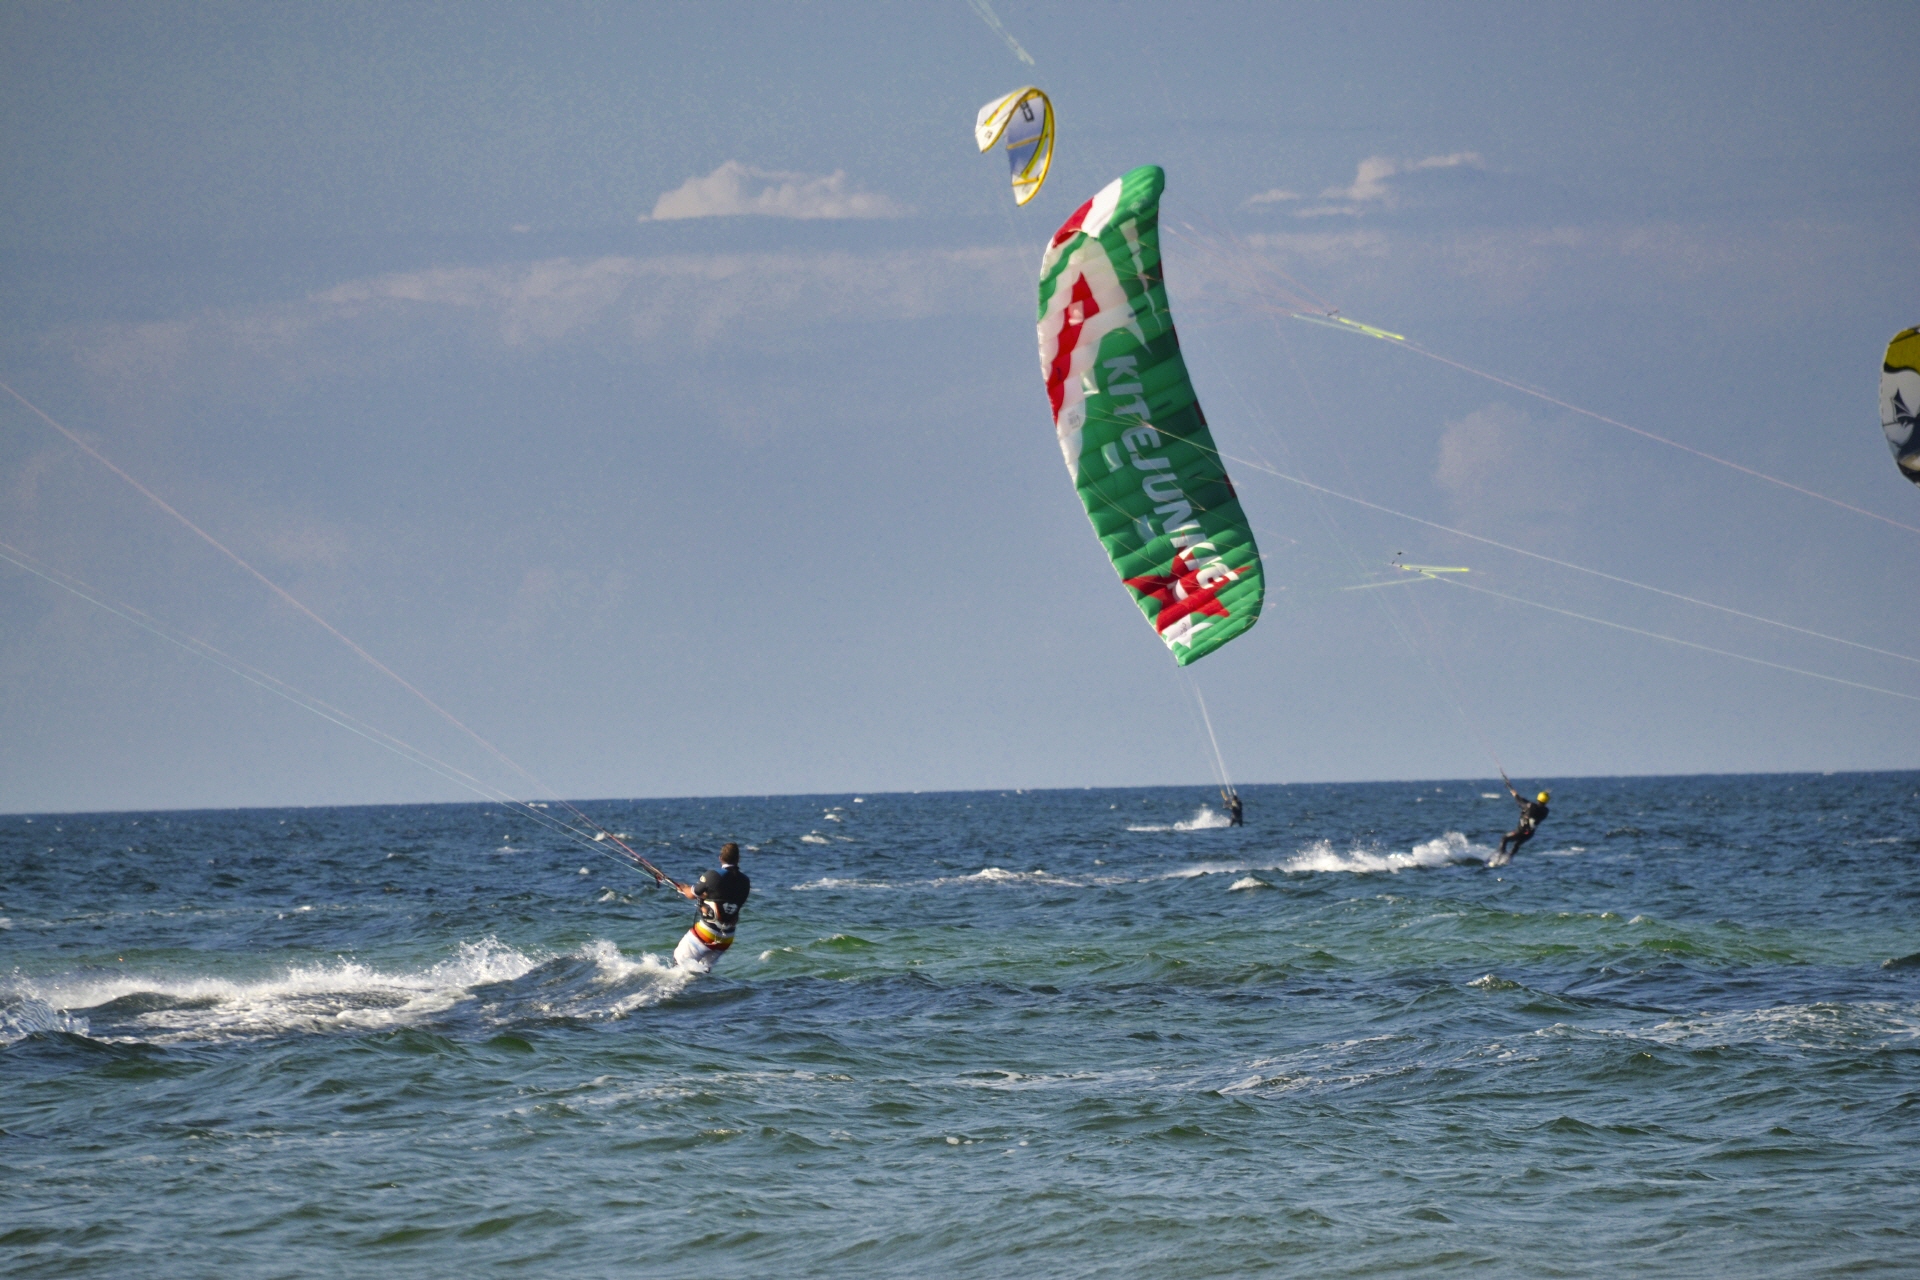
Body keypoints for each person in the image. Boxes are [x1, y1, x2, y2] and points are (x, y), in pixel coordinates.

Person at [672, 842, 751, 972]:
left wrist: (683, 888)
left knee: (679, 964)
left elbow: (692, 894)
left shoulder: (713, 875)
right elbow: (726, 898)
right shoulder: (745, 881)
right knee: (702, 972)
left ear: (720, 858)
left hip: (707, 933)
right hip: (726, 939)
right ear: (738, 859)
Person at [1497, 784, 1550, 862]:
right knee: (1517, 844)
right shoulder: (1545, 811)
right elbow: (1530, 805)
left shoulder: (1529, 806)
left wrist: (1513, 791)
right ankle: (1509, 858)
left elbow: (1520, 801)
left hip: (1520, 832)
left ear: (1538, 798)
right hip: (1529, 835)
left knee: (1504, 838)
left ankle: (1500, 856)